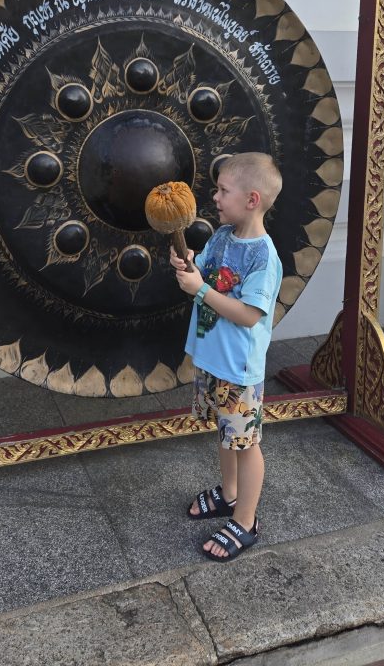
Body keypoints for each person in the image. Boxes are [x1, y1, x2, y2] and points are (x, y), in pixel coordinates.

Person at [169, 152, 283, 562]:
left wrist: (199, 289)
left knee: (247, 443)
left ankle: (247, 521)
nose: (215, 197)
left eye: (222, 190)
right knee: (226, 433)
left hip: (239, 369)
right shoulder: (222, 236)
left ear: (252, 199)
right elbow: (206, 272)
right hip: (212, 358)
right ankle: (230, 494)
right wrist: (188, 267)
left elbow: (249, 315)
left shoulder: (263, 257)